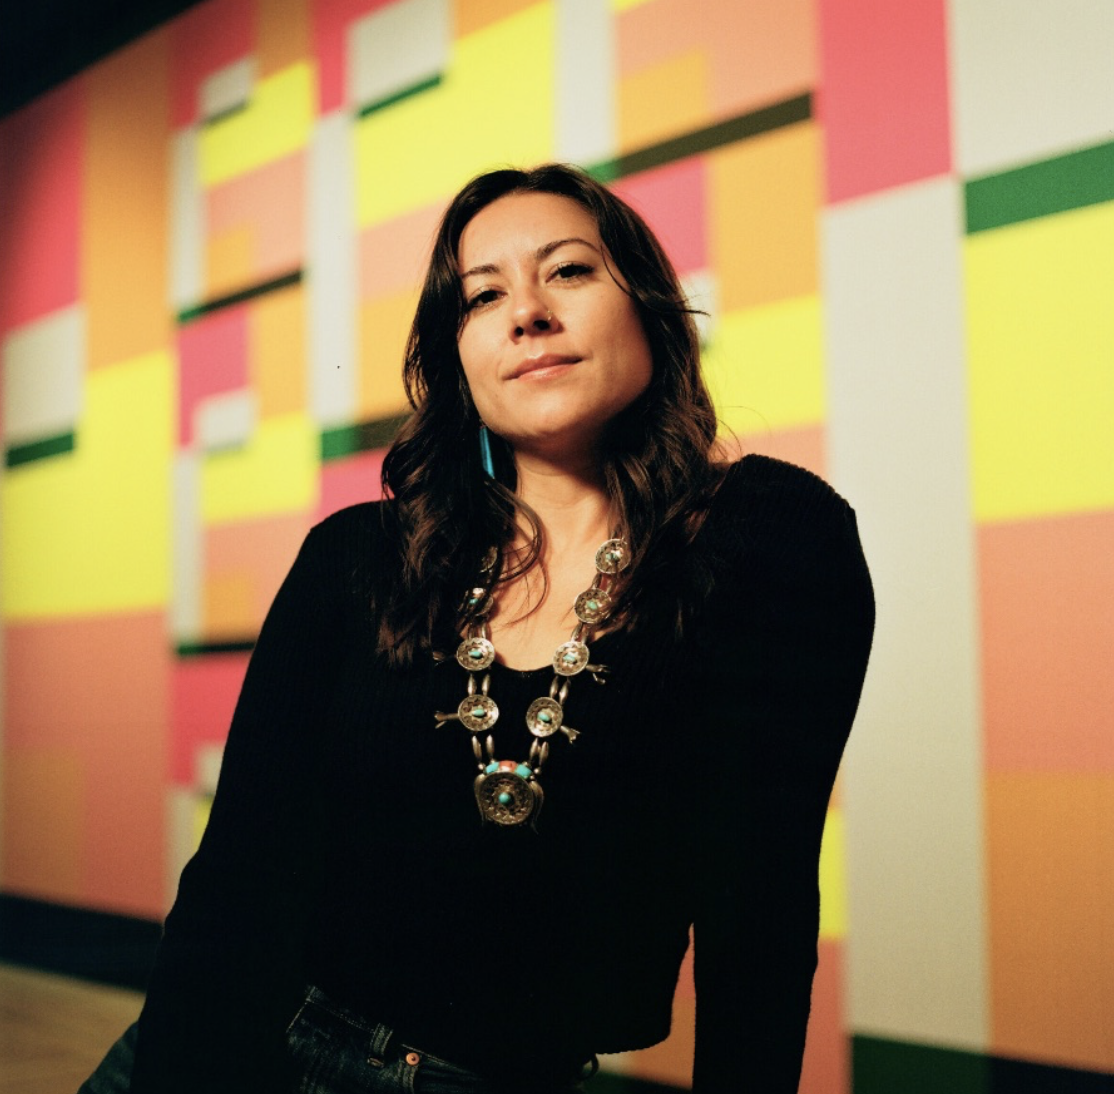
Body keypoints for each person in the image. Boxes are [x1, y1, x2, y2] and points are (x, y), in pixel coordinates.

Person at [81, 163, 874, 1094]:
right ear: (456, 356)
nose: (527, 313)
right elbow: (238, 875)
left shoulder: (764, 538)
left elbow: (761, 906)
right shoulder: (358, 557)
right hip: (239, 1046)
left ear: (650, 310)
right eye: (483, 296)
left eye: (569, 270)